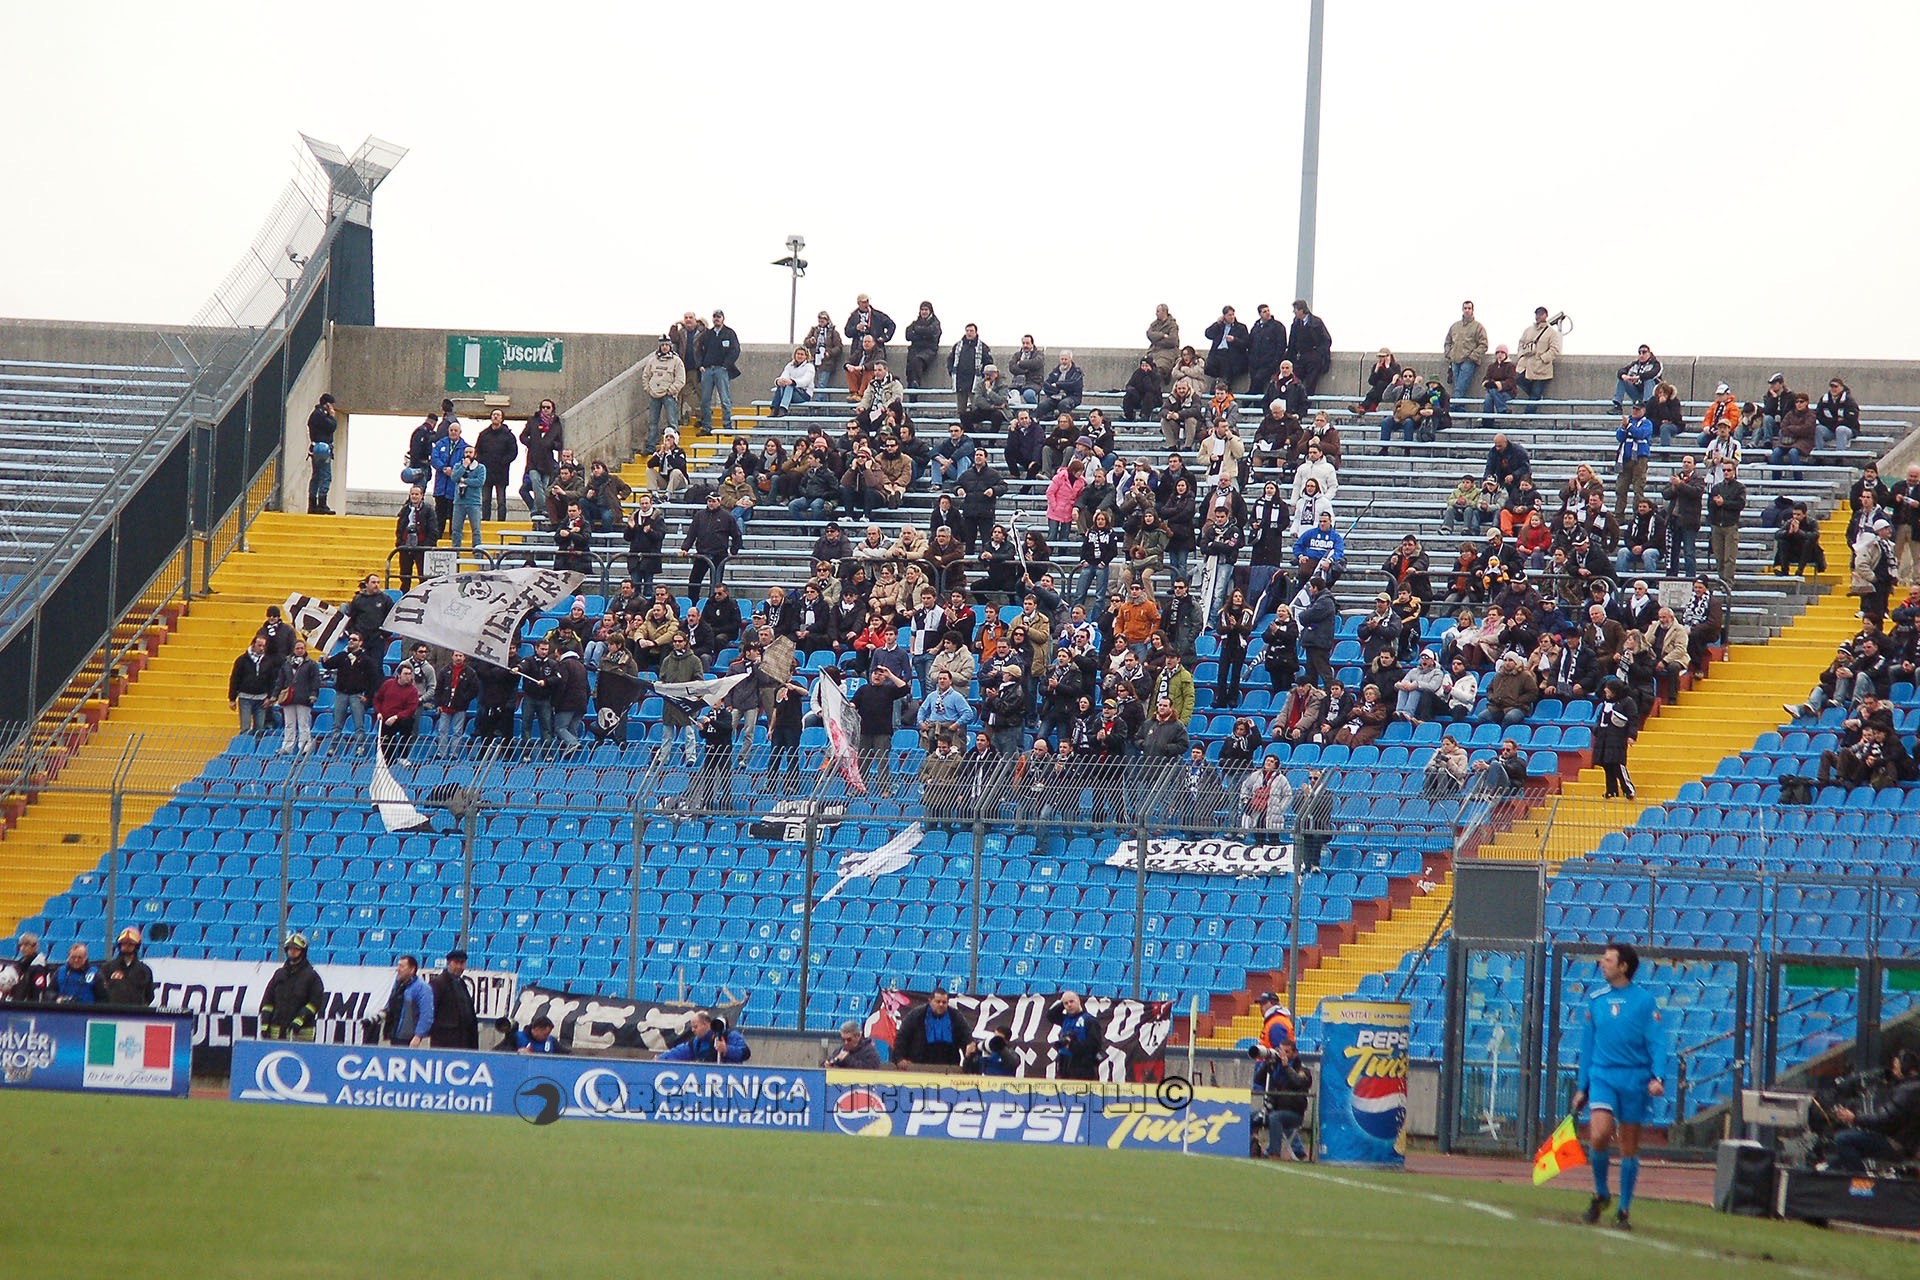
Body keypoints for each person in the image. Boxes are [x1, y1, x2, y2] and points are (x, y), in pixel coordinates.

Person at [1572, 942, 1669, 1231]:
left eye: (1608, 960)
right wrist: (1582, 1086)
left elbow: (1657, 1041)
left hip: (1634, 1078)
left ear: (1623, 966)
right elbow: (1587, 1046)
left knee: (1628, 1145)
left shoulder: (1644, 1001)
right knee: (1599, 1134)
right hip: (1603, 1075)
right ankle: (1601, 1192)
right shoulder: (1596, 999)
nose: (1602, 963)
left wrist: (1658, 1077)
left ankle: (1623, 1209)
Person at [1827, 1048, 1920, 1172]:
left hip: (1896, 1145)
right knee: (1839, 1159)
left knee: (1843, 1139)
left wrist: (1854, 1118)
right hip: (1902, 1143)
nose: (1894, 1070)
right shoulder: (1909, 1088)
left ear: (1907, 1068)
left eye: (1896, 1067)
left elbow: (1884, 1120)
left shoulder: (1907, 1091)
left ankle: (1861, 1180)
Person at [1250, 1037, 1313, 1160]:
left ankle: (1274, 1153)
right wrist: (1267, 1064)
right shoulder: (1275, 1066)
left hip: (1294, 1113)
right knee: (1252, 1116)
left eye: (1287, 1052)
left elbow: (1298, 1082)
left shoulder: (1302, 1069)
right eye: (1281, 1051)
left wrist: (1286, 1067)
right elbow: (1258, 1080)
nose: (1283, 1055)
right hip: (1274, 1109)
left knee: (1275, 1117)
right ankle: (1252, 1147)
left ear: (1295, 1053)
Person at [258, 933, 325, 1041]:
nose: (292, 952)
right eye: (290, 949)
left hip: (301, 1032)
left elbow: (315, 1003)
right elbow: (267, 1001)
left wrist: (300, 1019)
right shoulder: (279, 974)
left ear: (303, 951)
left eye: (296, 949)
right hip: (277, 1030)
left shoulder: (311, 976)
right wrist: (265, 1023)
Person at [892, 989, 975, 1069]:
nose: (941, 1005)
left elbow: (966, 1037)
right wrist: (900, 1058)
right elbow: (902, 1037)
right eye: (938, 1002)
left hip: (948, 1067)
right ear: (930, 1001)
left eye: (944, 1002)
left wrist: (969, 1051)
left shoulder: (955, 1017)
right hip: (919, 1066)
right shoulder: (917, 1015)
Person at [696, 309, 741, 431]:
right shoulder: (707, 335)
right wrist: (700, 365)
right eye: (715, 317)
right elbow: (698, 351)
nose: (717, 319)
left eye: (719, 317)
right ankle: (706, 427)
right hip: (707, 370)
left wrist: (726, 365)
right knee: (705, 400)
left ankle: (727, 426)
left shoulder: (729, 333)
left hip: (722, 370)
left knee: (725, 399)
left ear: (723, 319)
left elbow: (735, 350)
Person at [1594, 678, 1638, 799]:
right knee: (1607, 764)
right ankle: (1611, 790)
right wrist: (1597, 730)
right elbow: (1600, 717)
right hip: (1604, 737)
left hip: (1617, 738)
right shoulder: (1605, 702)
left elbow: (1633, 720)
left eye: (1608, 688)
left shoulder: (1628, 702)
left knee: (1617, 764)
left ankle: (1628, 790)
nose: (1605, 690)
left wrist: (1631, 736)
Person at [427, 949, 480, 1050]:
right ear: (448, 964)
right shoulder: (438, 983)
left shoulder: (461, 983)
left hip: (465, 1038)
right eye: (456, 963)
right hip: (446, 1040)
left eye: (462, 963)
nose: (459, 966)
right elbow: (431, 1009)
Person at [380, 954, 435, 1047]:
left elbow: (426, 1014)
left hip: (409, 1038)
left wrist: (418, 1036)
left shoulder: (422, 988)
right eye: (398, 966)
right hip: (395, 1034)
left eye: (401, 966)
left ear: (412, 969)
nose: (398, 969)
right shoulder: (398, 984)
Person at [1048, 991, 1105, 1081]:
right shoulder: (1065, 1019)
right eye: (1066, 1003)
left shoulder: (1089, 1020)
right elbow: (1050, 1015)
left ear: (1078, 1001)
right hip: (1064, 1063)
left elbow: (1094, 1045)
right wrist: (1062, 1003)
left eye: (1071, 1001)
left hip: (1082, 1065)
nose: (1069, 1005)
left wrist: (1071, 1045)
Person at [658, 1010, 752, 1063]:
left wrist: (727, 1049)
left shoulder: (730, 1035)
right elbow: (679, 1052)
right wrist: (660, 1059)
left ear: (705, 1024)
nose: (693, 1030)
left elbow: (745, 1053)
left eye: (695, 1027)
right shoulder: (696, 1043)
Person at [1515, 306, 1561, 412]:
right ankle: (1537, 399)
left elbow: (1555, 349)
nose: (1538, 316)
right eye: (1537, 314)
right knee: (1519, 379)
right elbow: (1521, 343)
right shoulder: (1528, 330)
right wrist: (1521, 355)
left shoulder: (1551, 332)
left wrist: (1543, 359)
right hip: (1526, 366)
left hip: (1542, 369)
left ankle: (1527, 416)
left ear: (1546, 315)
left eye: (1541, 314)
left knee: (1536, 393)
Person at [227, 635, 276, 735]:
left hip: (261, 699)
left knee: (260, 729)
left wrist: (269, 697)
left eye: (263, 646)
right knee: (245, 728)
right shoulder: (242, 660)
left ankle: (256, 745)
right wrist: (232, 698)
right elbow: (235, 679)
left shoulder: (267, 661)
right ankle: (245, 745)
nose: (262, 648)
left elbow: (271, 681)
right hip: (245, 698)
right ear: (253, 645)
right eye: (259, 645)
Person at [393, 484, 438, 591]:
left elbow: (433, 530)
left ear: (422, 496)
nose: (414, 496)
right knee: (404, 575)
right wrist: (400, 542)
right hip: (405, 545)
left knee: (423, 575)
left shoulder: (428, 510)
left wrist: (426, 545)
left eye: (416, 494)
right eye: (412, 494)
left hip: (421, 546)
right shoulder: (405, 510)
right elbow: (400, 527)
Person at [97, 927, 155, 1006]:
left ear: (136, 946)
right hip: (112, 1011)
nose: (126, 946)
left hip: (135, 1012)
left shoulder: (145, 970)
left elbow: (149, 997)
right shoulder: (107, 968)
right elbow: (100, 993)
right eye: (123, 943)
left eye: (130, 944)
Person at [1444, 300, 1489, 402]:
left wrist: (1472, 356)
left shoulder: (1478, 327)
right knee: (1458, 387)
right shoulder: (1455, 326)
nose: (1467, 310)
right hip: (1455, 361)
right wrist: (1449, 353)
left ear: (1472, 310)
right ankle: (1460, 408)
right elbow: (1447, 341)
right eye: (1465, 308)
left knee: (1460, 387)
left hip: (1468, 361)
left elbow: (1484, 344)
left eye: (1469, 308)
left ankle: (1453, 407)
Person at [305, 392, 338, 514]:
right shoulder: (322, 416)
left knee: (316, 476)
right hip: (323, 449)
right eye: (331, 405)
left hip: (315, 448)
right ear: (327, 404)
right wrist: (332, 416)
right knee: (325, 476)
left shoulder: (314, 414)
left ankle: (312, 504)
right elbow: (332, 426)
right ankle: (322, 504)